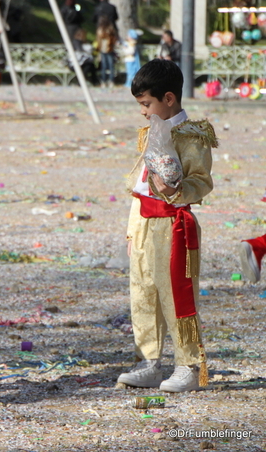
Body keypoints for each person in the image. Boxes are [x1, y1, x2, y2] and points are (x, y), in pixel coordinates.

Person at [118, 59, 218, 392]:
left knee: (177, 295)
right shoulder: (150, 132)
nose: (143, 112)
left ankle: (188, 365)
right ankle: (148, 360)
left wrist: (178, 191)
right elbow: (140, 187)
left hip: (174, 224)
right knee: (143, 293)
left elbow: (202, 182)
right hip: (145, 222)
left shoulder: (193, 135)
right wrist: (132, 230)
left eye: (147, 103)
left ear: (169, 98)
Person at [96, 15, 118, 88]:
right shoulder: (110, 28)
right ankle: (110, 81)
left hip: (104, 48)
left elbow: (98, 39)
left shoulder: (100, 29)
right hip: (109, 48)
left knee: (104, 66)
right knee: (110, 66)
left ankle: (104, 81)